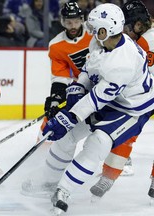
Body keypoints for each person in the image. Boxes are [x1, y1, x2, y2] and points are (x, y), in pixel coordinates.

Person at [40, 3, 154, 214]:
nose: (90, 31)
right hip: (111, 97)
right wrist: (77, 86)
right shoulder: (100, 41)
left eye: (94, 28)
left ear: (106, 30)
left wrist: (70, 116)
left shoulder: (123, 62)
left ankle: (63, 190)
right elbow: (90, 67)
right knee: (68, 136)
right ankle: (46, 182)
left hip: (131, 108)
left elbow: (96, 99)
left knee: (98, 142)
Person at [21, 1, 92, 197]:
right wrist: (55, 99)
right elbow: (60, 76)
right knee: (54, 120)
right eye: (68, 22)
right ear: (62, 22)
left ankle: (121, 157)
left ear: (82, 20)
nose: (73, 26)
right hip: (82, 87)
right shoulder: (56, 45)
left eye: (76, 21)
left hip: (105, 85)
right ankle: (43, 157)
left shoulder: (94, 31)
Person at [90, 0, 154, 200]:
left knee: (125, 133)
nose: (123, 31)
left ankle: (110, 177)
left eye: (127, 27)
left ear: (138, 24)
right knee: (125, 133)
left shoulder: (144, 41)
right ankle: (109, 177)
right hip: (144, 95)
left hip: (144, 95)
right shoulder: (135, 42)